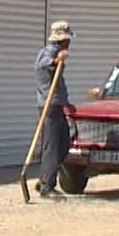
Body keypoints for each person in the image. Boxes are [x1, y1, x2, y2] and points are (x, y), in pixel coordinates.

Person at [33, 20, 75, 200]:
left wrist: (66, 102)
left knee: (64, 142)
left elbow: (58, 83)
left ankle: (45, 176)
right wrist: (56, 60)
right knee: (53, 146)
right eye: (68, 39)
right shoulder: (49, 52)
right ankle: (46, 186)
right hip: (49, 106)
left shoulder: (55, 52)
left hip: (57, 104)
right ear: (62, 40)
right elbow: (42, 65)